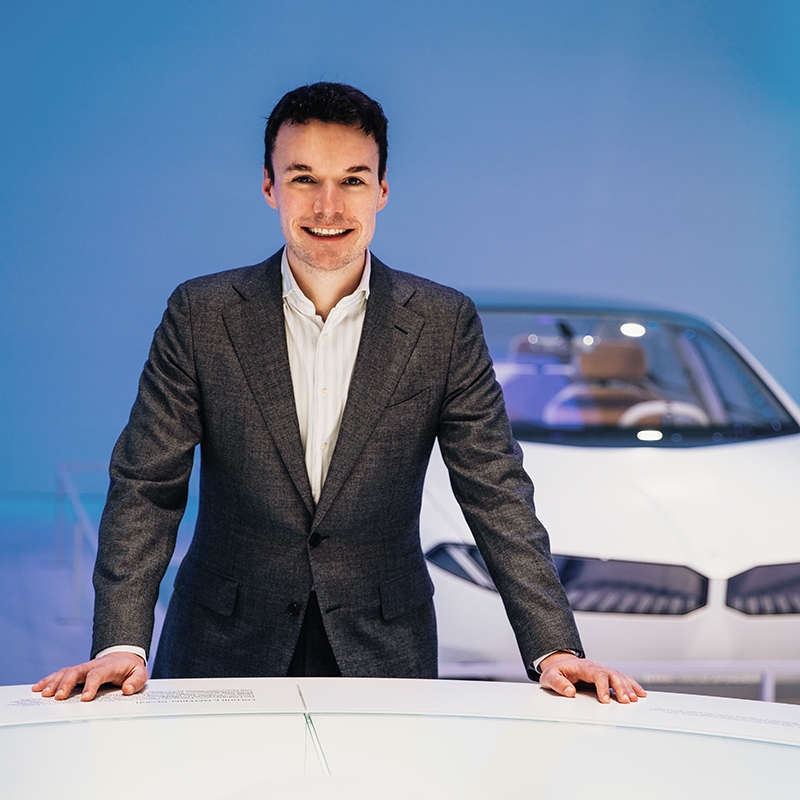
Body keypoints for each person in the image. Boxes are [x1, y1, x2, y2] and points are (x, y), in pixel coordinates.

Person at [34, 82, 645, 705]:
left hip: (383, 645)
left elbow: (494, 490)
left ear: (382, 190)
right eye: (304, 178)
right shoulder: (202, 314)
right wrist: (120, 641)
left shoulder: (441, 323)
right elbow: (147, 484)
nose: (329, 206)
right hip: (220, 642)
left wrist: (555, 646)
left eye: (352, 180)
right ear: (270, 186)